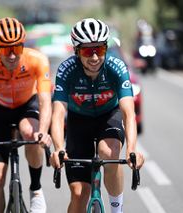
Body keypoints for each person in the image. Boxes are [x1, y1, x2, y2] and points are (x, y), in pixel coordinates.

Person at [50, 18, 144, 213]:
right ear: (77, 51)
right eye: (87, 51)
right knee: (78, 194)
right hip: (78, 121)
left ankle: (116, 209)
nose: (94, 57)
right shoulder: (66, 70)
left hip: (108, 115)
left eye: (99, 50)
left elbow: (128, 113)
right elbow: (58, 114)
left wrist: (132, 149)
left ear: (106, 48)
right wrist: (58, 148)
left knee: (109, 152)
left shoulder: (116, 67)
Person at [0, 17, 52, 213]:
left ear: (23, 46)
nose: (11, 55)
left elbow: (45, 101)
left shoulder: (37, 60)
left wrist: (43, 131)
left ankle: (36, 188)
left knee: (30, 132)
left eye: (16, 49)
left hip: (27, 105)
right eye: (5, 49)